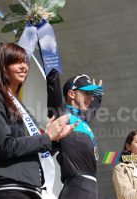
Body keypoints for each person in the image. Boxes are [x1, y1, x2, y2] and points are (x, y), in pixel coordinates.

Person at [0, 43, 79, 199]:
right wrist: (46, 137)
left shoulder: (20, 106)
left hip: (32, 190)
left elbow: (35, 150)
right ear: (2, 66)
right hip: (11, 190)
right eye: (16, 62)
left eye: (25, 62)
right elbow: (6, 147)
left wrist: (56, 138)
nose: (23, 67)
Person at [46, 69, 104, 199]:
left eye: (92, 94)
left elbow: (93, 107)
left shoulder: (83, 118)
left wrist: (98, 95)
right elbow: (53, 85)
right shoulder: (62, 113)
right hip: (77, 188)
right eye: (86, 93)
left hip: (91, 189)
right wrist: (50, 59)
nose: (91, 97)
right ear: (71, 94)